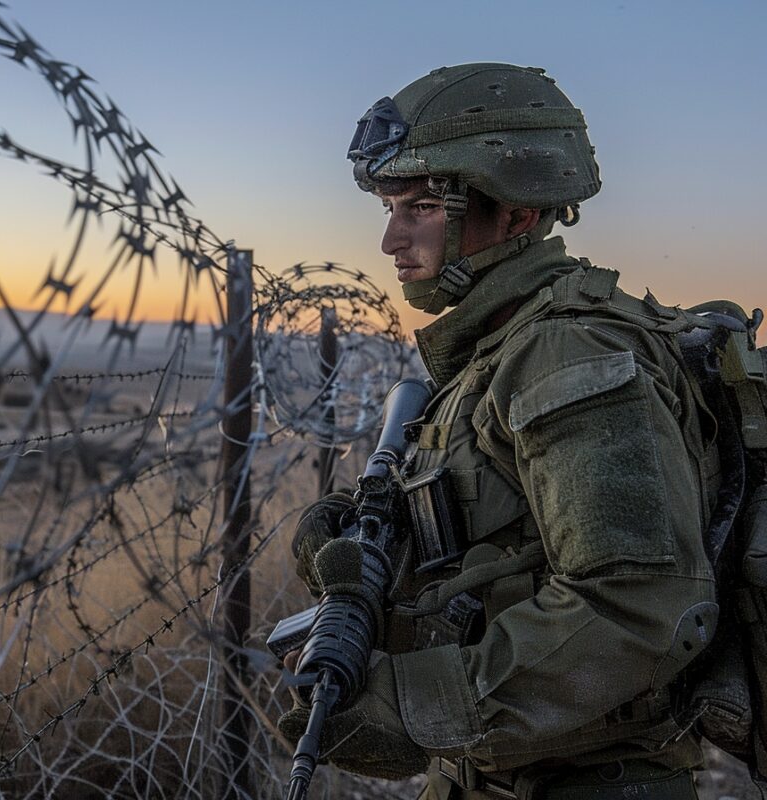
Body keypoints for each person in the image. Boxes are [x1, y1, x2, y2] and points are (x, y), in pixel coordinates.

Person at [281, 63, 723, 799]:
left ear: (516, 214)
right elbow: (498, 556)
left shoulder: (565, 352)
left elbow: (639, 606)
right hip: (498, 773)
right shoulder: (499, 346)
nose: (391, 237)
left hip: (589, 779)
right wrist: (367, 551)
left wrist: (415, 704)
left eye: (420, 205)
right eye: (389, 206)